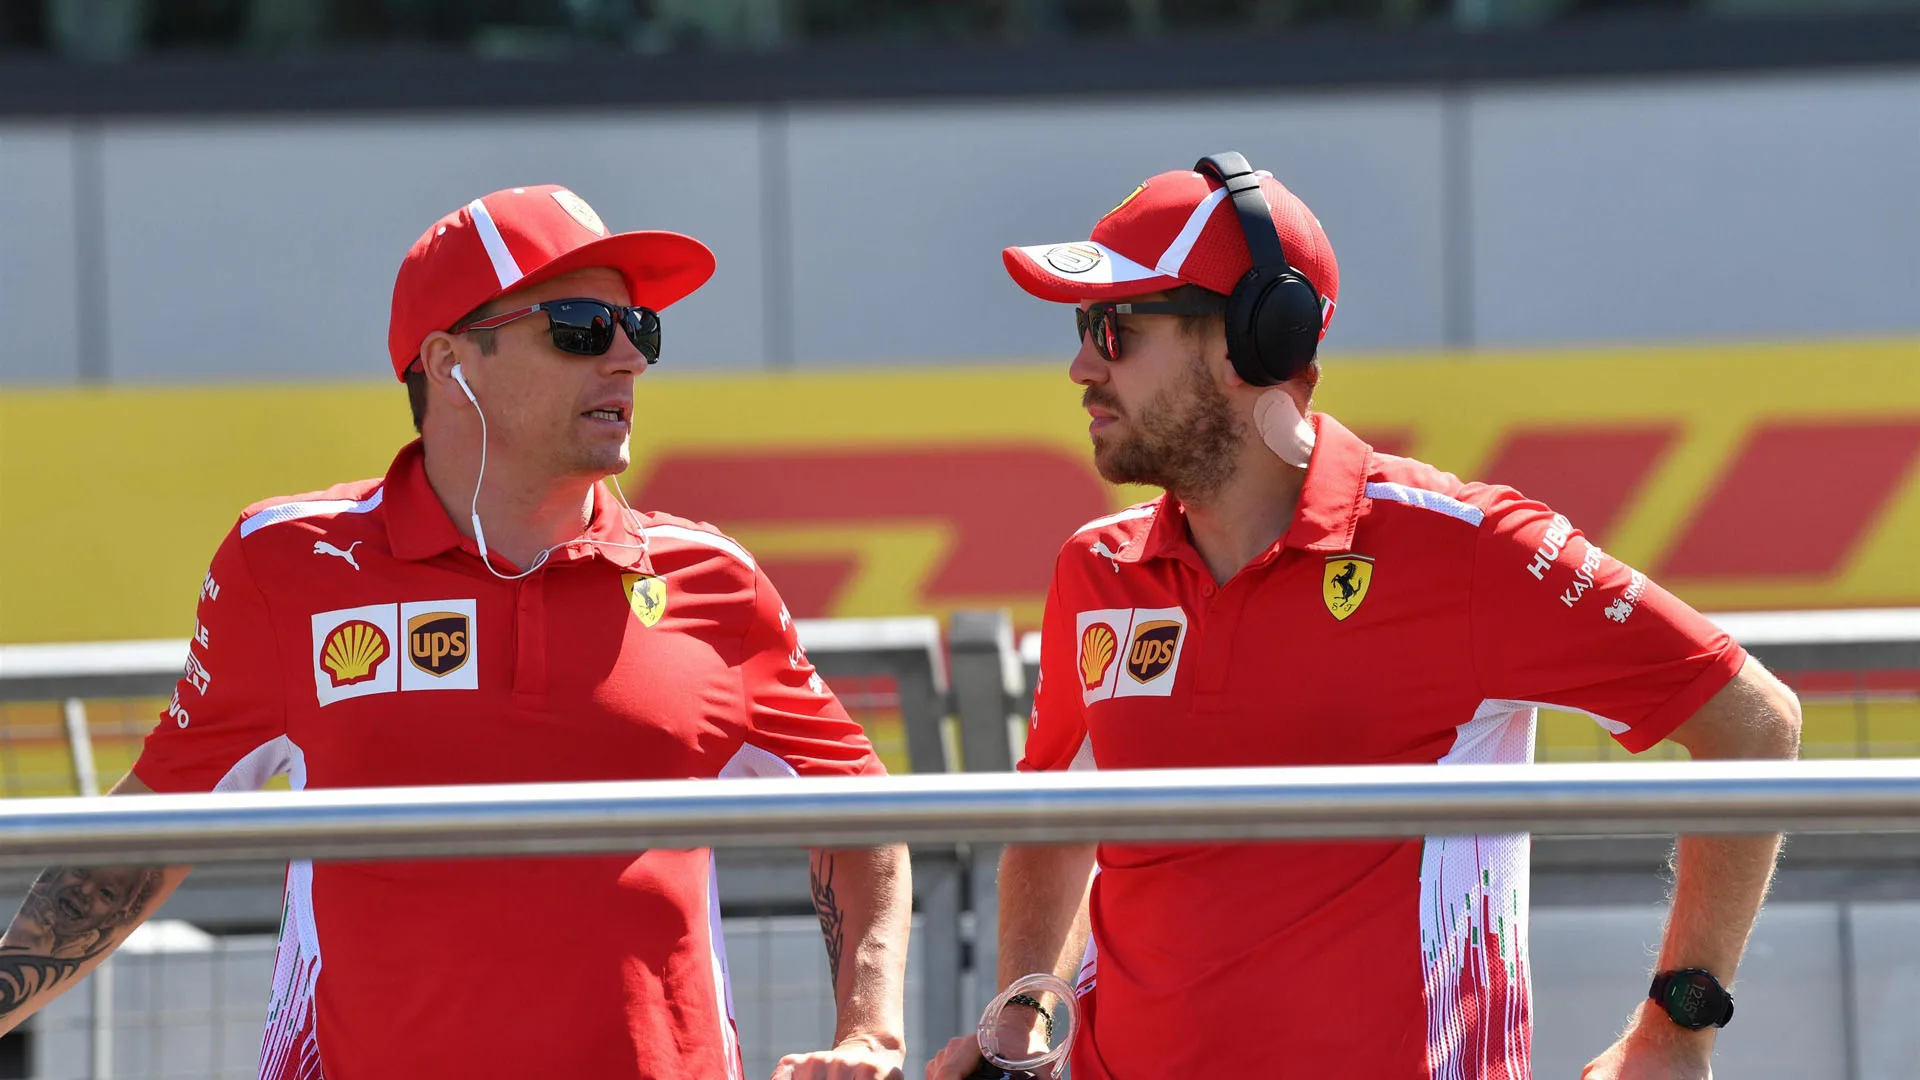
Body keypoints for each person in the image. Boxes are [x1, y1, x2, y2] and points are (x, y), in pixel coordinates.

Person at [0, 184, 912, 1080]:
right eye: (582, 327)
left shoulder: (714, 580)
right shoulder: (286, 563)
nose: (629, 358)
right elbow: (135, 845)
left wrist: (869, 1031)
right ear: (448, 361)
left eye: (644, 331)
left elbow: (866, 817)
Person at [927, 154, 1802, 1079]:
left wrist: (1675, 1031)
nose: (1079, 366)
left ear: (1249, 342)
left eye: (1114, 329)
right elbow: (1058, 819)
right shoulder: (1095, 568)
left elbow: (1754, 723)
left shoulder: (1471, 547)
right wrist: (1024, 1012)